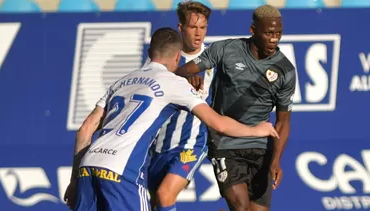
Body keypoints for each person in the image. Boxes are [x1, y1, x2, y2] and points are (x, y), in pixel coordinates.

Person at [63, 27, 279, 211]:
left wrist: (74, 180)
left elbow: (85, 129)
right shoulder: (173, 82)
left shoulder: (121, 82)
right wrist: (256, 130)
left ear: (149, 53)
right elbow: (217, 123)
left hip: (88, 166)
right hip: (122, 172)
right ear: (178, 57)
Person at [175, 4, 296, 211]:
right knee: (240, 206)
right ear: (253, 30)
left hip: (260, 148)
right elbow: (180, 71)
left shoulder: (285, 70)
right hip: (226, 143)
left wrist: (276, 160)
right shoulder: (225, 49)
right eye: (268, 33)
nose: (274, 38)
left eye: (278, 33)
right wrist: (186, 75)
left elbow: (283, 121)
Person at [146, 1, 214, 210]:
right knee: (156, 203)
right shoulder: (166, 57)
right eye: (193, 27)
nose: (198, 33)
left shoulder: (214, 59)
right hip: (159, 145)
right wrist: (180, 76)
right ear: (181, 28)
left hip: (191, 144)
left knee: (165, 194)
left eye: (202, 28)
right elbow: (147, 85)